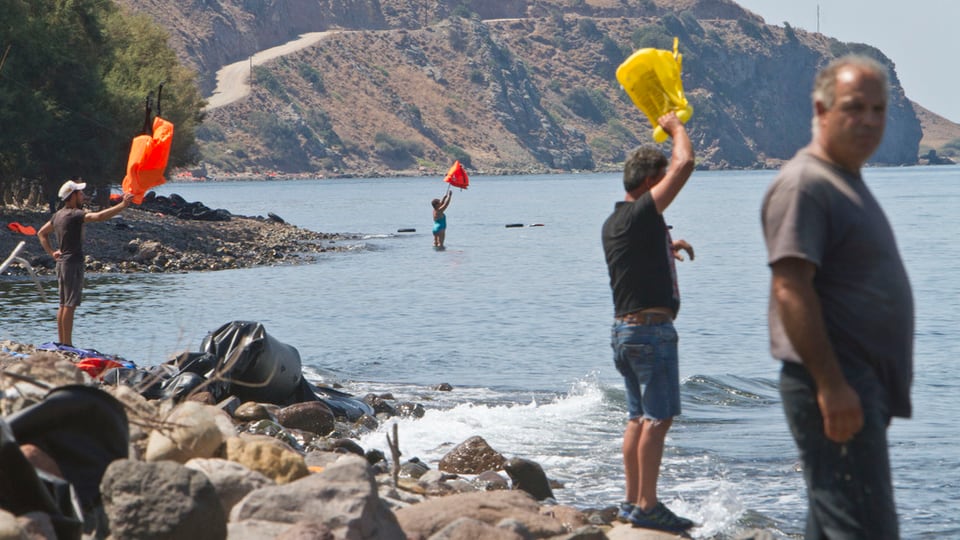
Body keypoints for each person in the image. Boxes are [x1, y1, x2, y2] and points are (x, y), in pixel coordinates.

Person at [761, 55, 913, 539]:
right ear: (822, 109)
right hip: (832, 381)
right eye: (854, 107)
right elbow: (790, 287)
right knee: (862, 527)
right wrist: (831, 385)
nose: (868, 120)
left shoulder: (843, 181)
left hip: (854, 383)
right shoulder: (806, 184)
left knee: (833, 524)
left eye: (878, 109)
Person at [602, 111, 695, 533]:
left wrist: (666, 245)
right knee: (659, 419)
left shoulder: (616, 221)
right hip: (650, 332)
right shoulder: (641, 214)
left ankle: (631, 503)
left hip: (624, 332)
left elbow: (633, 260)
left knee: (638, 417)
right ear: (647, 183)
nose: (665, 187)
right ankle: (648, 505)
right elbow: (685, 165)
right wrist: (676, 129)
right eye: (660, 181)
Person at [37, 180, 135, 346]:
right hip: (72, 263)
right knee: (70, 304)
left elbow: (41, 233)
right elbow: (99, 216)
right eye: (80, 193)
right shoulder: (74, 214)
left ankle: (63, 343)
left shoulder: (58, 215)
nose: (83, 195)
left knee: (63, 303)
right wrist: (122, 205)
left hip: (61, 263)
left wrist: (52, 253)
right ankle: (67, 345)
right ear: (72, 196)